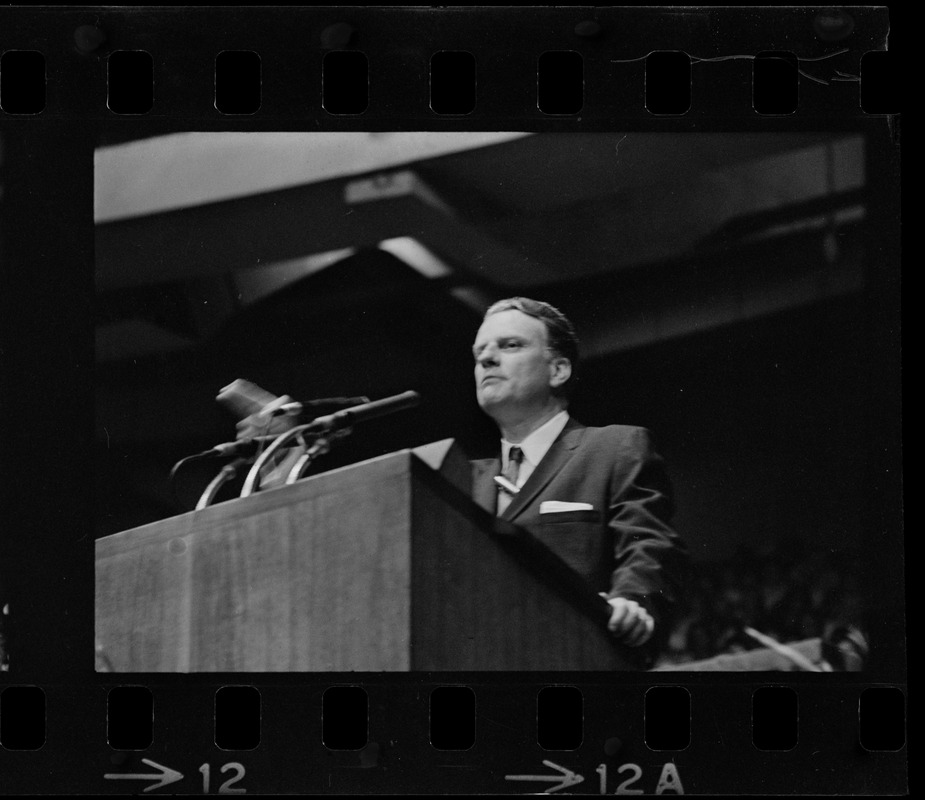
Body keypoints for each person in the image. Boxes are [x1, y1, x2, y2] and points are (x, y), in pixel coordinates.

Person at [469, 297, 687, 654]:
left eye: (511, 345)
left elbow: (650, 543)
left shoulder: (615, 448)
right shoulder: (461, 480)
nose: (486, 359)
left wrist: (634, 600)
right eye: (480, 351)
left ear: (558, 370)